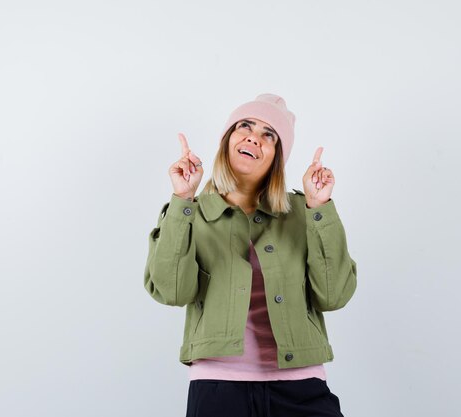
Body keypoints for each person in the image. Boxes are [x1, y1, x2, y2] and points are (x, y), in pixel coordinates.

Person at [144, 94, 357, 417]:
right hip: (218, 388)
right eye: (245, 125)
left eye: (268, 134)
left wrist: (319, 208)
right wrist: (182, 199)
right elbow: (173, 291)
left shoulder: (305, 212)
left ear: (277, 155)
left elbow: (333, 295)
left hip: (300, 386)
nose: (253, 137)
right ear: (229, 139)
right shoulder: (191, 213)